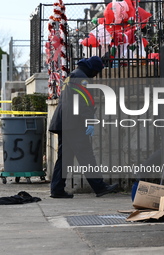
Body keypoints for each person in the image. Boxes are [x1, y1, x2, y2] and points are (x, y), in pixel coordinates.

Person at [49, 56, 118, 198]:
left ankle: (57, 189)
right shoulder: (82, 79)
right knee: (86, 156)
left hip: (64, 122)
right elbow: (83, 102)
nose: (96, 75)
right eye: (97, 72)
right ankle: (100, 187)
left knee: (64, 158)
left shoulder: (71, 76)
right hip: (74, 124)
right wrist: (90, 122)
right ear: (92, 69)